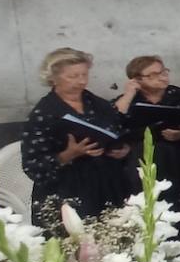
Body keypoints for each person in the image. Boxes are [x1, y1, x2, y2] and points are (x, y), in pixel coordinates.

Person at [21, 48, 131, 223]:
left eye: (84, 75)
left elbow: (120, 133)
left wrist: (123, 150)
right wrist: (69, 154)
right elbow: (32, 165)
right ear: (53, 78)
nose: (81, 81)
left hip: (107, 183)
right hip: (67, 189)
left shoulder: (98, 104)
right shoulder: (44, 113)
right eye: (73, 76)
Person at [114, 55, 180, 203]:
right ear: (137, 80)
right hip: (140, 153)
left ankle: (174, 200)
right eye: (153, 75)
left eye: (163, 72)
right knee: (147, 153)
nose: (162, 77)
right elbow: (114, 122)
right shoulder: (128, 100)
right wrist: (129, 94)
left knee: (164, 151)